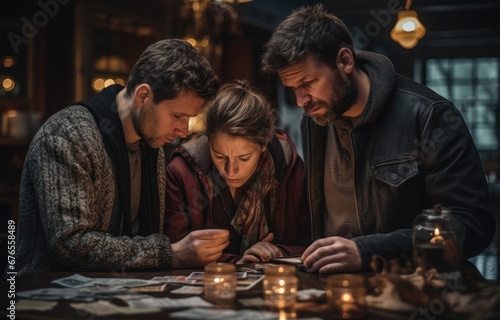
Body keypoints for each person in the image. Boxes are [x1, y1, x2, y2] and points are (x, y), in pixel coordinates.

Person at [261, 5, 496, 273]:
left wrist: (368, 251)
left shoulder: (430, 115)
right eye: (292, 88)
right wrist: (277, 249)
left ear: (345, 61)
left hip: (415, 294)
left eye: (308, 82)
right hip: (335, 293)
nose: (300, 100)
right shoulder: (316, 119)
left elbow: (472, 224)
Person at [15, 39, 229, 276]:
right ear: (143, 96)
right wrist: (168, 253)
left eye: (188, 118)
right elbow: (70, 245)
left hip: (122, 292)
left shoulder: (151, 144)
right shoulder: (68, 134)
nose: (183, 131)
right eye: (177, 115)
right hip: (47, 297)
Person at [165, 80, 311, 264]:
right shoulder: (182, 172)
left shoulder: (289, 166)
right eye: (220, 156)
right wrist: (236, 262)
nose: (231, 171)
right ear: (208, 139)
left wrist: (278, 252)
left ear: (264, 142)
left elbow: (312, 242)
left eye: (244, 158)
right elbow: (174, 249)